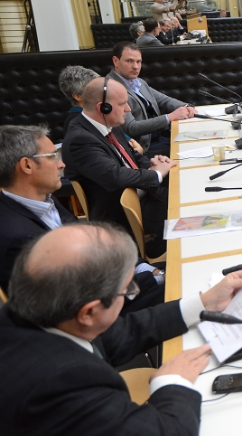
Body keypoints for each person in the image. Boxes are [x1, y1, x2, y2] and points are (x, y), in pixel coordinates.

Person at [0, 222, 242, 436]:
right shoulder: (60, 387)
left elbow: (123, 333)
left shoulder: (33, 313)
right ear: (89, 312)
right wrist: (172, 381)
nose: (130, 292)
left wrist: (204, 303)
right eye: (127, 289)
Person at [0, 125, 164, 310]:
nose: (61, 164)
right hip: (105, 312)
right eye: (52, 156)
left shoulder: (43, 198)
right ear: (27, 165)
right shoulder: (17, 238)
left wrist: (148, 270)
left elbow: (95, 250)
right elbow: (80, 302)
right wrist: (154, 279)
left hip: (116, 284)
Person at [62, 77, 175, 257]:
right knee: (185, 210)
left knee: (187, 190)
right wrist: (156, 175)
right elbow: (116, 176)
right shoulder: (80, 139)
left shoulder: (109, 123)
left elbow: (134, 157)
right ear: (103, 108)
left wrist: (154, 165)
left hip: (144, 195)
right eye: (122, 104)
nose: (128, 109)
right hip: (122, 212)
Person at [108, 42, 195, 157]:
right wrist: (169, 117)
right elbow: (131, 127)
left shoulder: (138, 82)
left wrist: (186, 107)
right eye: (129, 61)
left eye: (138, 62)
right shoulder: (111, 88)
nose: (136, 66)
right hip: (147, 147)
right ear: (116, 61)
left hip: (163, 137)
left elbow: (163, 100)